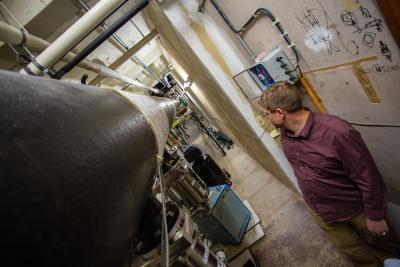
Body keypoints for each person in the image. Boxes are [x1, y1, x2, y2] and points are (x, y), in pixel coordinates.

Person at [259, 81, 398, 267]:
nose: (266, 118)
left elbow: (368, 177)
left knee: (383, 250)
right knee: (352, 250)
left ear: (280, 113)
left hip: (354, 210)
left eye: (266, 114)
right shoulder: (285, 131)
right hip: (319, 209)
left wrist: (376, 216)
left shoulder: (338, 133)